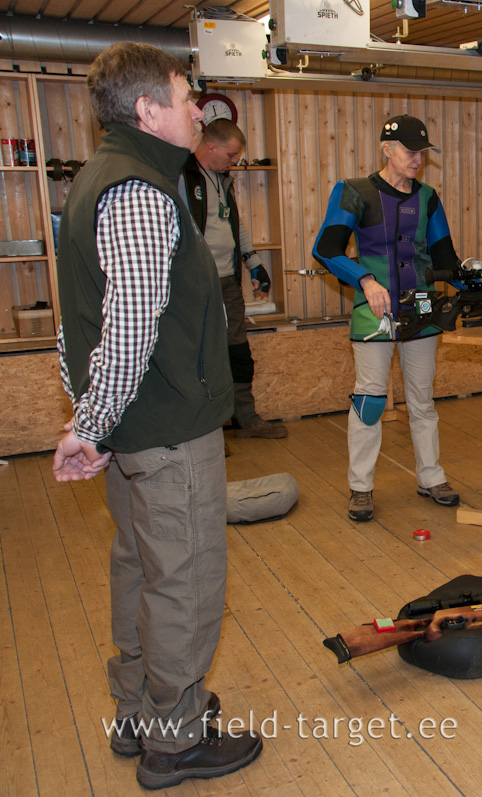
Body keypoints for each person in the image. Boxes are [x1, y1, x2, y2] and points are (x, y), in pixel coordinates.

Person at [52, 42, 262, 788]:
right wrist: (91, 421)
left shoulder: (100, 180)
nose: (196, 108)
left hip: (133, 430)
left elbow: (74, 319)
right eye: (183, 95)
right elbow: (130, 322)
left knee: (140, 568)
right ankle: (172, 741)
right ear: (147, 111)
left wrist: (91, 417)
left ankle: (139, 709)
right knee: (186, 579)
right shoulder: (140, 191)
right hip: (166, 429)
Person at [314, 114, 482, 521]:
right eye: (410, 151)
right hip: (374, 309)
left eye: (423, 152)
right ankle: (360, 487)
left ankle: (431, 477)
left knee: (423, 399)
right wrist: (364, 279)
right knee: (370, 400)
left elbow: (446, 261)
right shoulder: (353, 192)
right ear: (387, 149)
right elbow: (325, 249)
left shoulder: (429, 198)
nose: (418, 159)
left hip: (420, 306)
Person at [180, 118, 287, 439]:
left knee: (237, 349)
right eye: (231, 155)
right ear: (210, 146)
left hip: (228, 280)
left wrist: (254, 263)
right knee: (199, 355)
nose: (235, 161)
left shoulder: (222, 180)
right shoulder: (182, 178)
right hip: (195, 283)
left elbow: (234, 224)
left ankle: (245, 419)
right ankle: (205, 430)